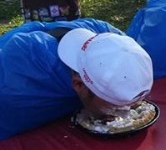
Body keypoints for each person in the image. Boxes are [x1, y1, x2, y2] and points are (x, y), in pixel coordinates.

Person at [0, 19, 153, 140]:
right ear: (79, 84)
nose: (124, 114)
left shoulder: (108, 35)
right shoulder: (21, 82)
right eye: (116, 108)